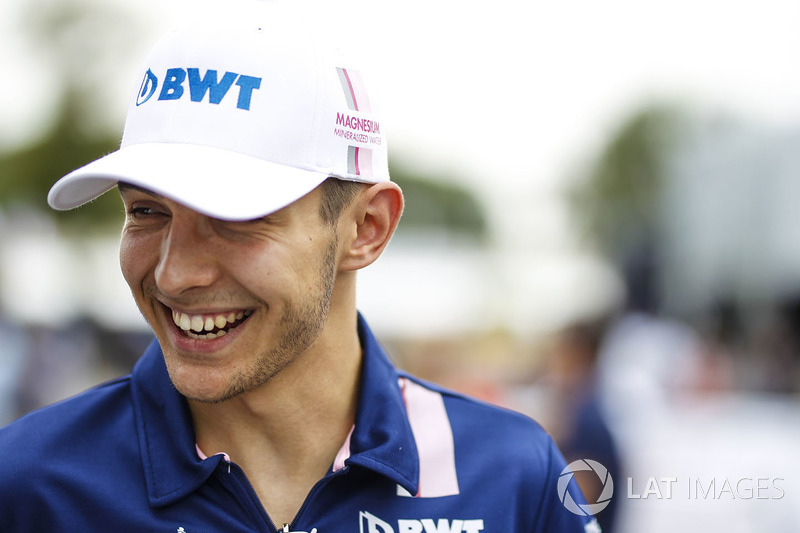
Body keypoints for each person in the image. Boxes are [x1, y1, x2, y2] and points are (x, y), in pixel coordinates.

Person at [0, 2, 601, 531]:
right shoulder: (29, 484)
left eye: (232, 216)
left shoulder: (514, 479)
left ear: (367, 228)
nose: (173, 274)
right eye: (147, 212)